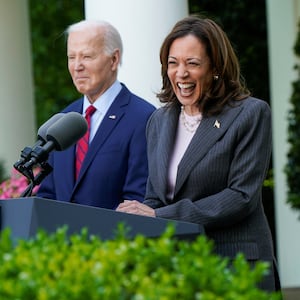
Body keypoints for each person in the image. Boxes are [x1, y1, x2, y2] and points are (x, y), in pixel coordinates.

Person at [116, 15, 281, 292]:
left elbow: (241, 197)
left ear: (215, 67)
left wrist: (160, 217)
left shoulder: (250, 114)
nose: (181, 73)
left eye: (192, 63)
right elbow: (156, 197)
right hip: (180, 267)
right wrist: (138, 213)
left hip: (234, 265)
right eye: (173, 63)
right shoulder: (159, 120)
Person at [37, 20, 156, 209]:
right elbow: (48, 194)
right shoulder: (63, 120)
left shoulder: (144, 118)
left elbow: (138, 200)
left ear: (114, 59)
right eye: (71, 57)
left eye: (86, 56)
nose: (77, 66)